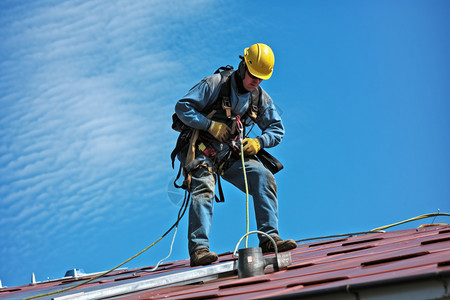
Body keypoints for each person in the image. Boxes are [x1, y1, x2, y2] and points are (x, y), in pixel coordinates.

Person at [173, 43, 297, 267]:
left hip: (230, 153)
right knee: (204, 186)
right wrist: (209, 125)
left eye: (261, 78)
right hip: (200, 148)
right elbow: (182, 107)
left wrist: (259, 143)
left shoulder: (258, 96)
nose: (256, 81)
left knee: (263, 176)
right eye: (253, 75)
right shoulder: (216, 84)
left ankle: (269, 239)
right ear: (243, 66)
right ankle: (199, 250)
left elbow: (277, 130)